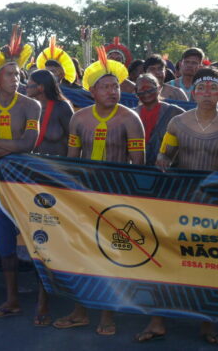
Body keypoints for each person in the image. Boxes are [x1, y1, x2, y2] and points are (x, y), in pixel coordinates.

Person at [153, 67, 218, 345]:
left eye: (212, 89)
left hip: (215, 206)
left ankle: (208, 322)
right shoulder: (177, 124)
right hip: (181, 200)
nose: (206, 94)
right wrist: (163, 163)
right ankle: (157, 320)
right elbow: (162, 157)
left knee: (210, 265)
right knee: (165, 259)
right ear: (193, 93)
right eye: (201, 89)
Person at [62, 46, 144, 336]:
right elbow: (71, 160)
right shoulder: (78, 118)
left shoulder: (131, 119)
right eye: (106, 86)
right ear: (92, 91)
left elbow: (138, 167)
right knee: (79, 255)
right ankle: (80, 310)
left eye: (116, 86)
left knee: (108, 258)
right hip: (83, 198)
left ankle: (107, 315)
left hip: (115, 199)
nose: (113, 91)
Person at [0, 25, 41, 319]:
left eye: (18, 74)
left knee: (38, 244)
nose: (16, 78)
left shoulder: (31, 105)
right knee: (5, 247)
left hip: (26, 185)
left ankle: (44, 301)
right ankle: (11, 298)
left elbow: (29, 144)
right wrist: (6, 148)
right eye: (10, 74)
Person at [24, 69, 74, 326]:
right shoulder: (26, 106)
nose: (25, 86)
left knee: (56, 240)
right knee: (36, 240)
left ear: (41, 87)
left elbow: (74, 146)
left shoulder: (63, 109)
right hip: (30, 182)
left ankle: (55, 297)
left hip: (57, 184)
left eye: (29, 84)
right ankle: (42, 296)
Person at [134, 73, 184, 166]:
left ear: (159, 88)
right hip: (139, 168)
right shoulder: (132, 115)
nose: (146, 93)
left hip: (166, 170)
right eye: (142, 90)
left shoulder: (174, 112)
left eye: (150, 88)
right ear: (136, 93)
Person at [27, 69, 74, 156]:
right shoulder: (28, 108)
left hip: (58, 166)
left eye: (28, 85)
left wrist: (70, 167)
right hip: (33, 166)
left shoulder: (62, 107)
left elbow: (75, 140)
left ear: (40, 87)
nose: (26, 88)